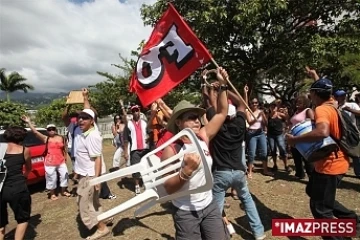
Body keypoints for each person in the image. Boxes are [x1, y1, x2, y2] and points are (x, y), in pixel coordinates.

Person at [286, 77, 360, 240]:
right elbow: (324, 86)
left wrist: (294, 140)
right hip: (337, 161)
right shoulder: (331, 104)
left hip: (330, 165)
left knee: (320, 209)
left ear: (314, 93)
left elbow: (322, 132)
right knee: (312, 190)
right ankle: (352, 221)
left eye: (310, 93)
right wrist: (314, 75)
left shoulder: (322, 109)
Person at [161, 67, 230, 240]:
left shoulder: (203, 137)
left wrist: (222, 85)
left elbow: (222, 112)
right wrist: (186, 172)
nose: (196, 121)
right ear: (178, 122)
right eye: (191, 117)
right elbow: (168, 188)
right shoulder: (172, 149)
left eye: (197, 117)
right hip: (185, 212)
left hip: (209, 205)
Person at [206, 83, 266, 240]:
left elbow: (209, 102)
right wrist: (225, 86)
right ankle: (259, 232)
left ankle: (218, 235)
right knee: (247, 199)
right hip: (239, 171)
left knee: (216, 208)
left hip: (221, 173)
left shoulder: (216, 125)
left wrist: (214, 89)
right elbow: (240, 102)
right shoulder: (240, 124)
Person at [74, 108, 112, 240]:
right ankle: (104, 219)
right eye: (79, 117)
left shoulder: (93, 135)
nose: (80, 120)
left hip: (90, 175)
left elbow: (97, 159)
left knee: (85, 205)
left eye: (85, 118)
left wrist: (96, 180)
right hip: (85, 174)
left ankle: (102, 228)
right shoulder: (82, 131)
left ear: (92, 121)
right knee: (93, 202)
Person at [22, 118, 71, 200]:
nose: (51, 131)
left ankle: (63, 191)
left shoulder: (62, 138)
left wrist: (66, 158)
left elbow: (64, 149)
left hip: (61, 161)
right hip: (50, 162)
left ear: (56, 130)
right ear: (47, 131)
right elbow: (35, 132)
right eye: (49, 129)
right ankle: (52, 194)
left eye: (53, 129)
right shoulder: (46, 138)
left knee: (64, 176)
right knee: (51, 178)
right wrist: (29, 122)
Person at [0, 127, 32, 240]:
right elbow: (28, 168)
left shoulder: (0, 148)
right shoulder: (24, 150)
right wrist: (24, 177)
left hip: (0, 188)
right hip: (17, 188)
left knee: (0, 223)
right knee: (22, 219)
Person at [333, 90, 360, 178]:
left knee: (356, 154)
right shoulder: (335, 107)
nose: (343, 97)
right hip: (340, 134)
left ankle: (358, 172)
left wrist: (349, 109)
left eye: (344, 95)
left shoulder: (352, 105)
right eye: (341, 96)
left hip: (352, 133)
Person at [123, 105, 149, 195]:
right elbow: (125, 139)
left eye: (136, 110)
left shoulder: (145, 122)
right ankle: (137, 186)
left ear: (139, 111)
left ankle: (146, 184)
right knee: (136, 169)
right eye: (133, 111)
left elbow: (150, 133)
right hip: (135, 150)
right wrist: (126, 151)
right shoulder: (129, 124)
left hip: (146, 149)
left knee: (146, 168)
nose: (135, 112)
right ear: (132, 113)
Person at [289, 95, 315, 179]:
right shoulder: (296, 112)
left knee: (306, 158)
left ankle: (311, 176)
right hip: (294, 138)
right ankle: (299, 173)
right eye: (296, 102)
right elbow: (291, 123)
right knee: (296, 156)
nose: (297, 104)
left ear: (305, 103)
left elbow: (313, 121)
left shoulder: (308, 111)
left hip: (304, 137)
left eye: (300, 102)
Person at [246, 97, 272, 177]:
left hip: (260, 133)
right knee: (252, 153)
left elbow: (265, 123)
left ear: (258, 103)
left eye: (256, 103)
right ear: (250, 104)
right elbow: (250, 122)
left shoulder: (261, 111)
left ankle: (265, 170)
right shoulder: (248, 112)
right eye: (253, 103)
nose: (254, 104)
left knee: (264, 152)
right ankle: (250, 171)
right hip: (251, 134)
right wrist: (257, 117)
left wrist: (264, 116)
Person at [267, 101, 290, 172]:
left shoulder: (280, 115)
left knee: (282, 149)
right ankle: (275, 165)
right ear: (270, 107)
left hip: (279, 134)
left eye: (275, 106)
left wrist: (286, 127)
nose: (273, 108)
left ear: (277, 108)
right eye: (272, 106)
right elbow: (265, 123)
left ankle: (286, 165)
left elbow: (287, 119)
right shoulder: (268, 115)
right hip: (271, 135)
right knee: (273, 150)